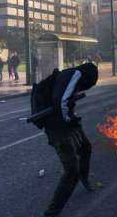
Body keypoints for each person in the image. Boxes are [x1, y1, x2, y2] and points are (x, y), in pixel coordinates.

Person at [43, 62, 98, 216]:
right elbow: (61, 101)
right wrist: (69, 119)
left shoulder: (70, 74)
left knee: (86, 148)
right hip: (58, 127)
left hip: (65, 123)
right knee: (71, 171)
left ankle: (84, 178)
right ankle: (52, 212)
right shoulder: (76, 75)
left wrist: (71, 117)